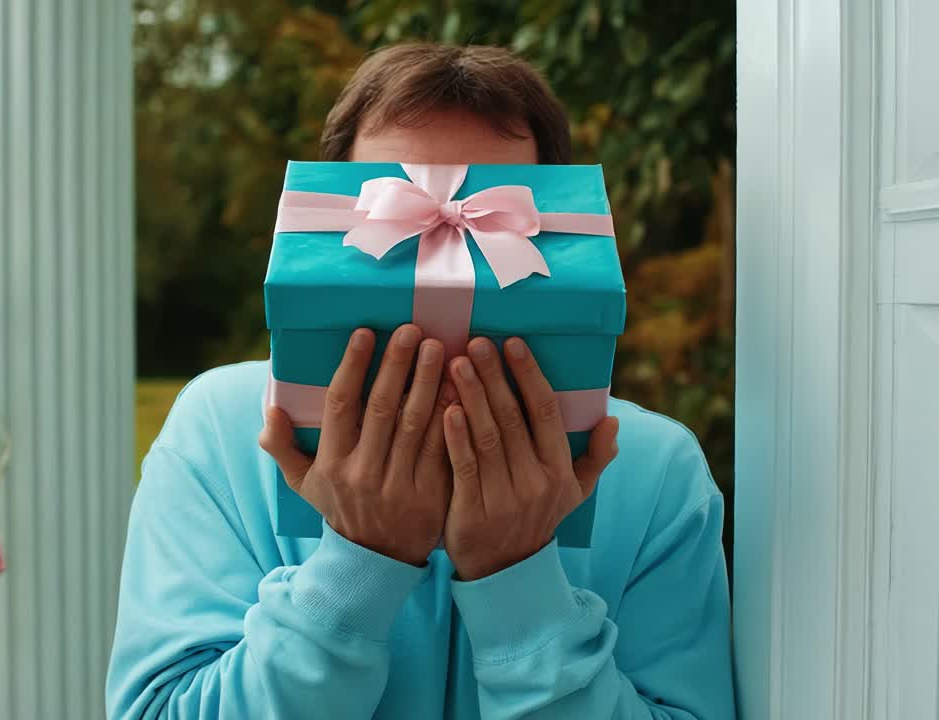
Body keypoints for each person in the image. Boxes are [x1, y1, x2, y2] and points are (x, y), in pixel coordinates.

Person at [106, 43, 735, 719]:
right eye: (397, 217)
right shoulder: (220, 436)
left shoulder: (657, 473)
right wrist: (355, 570)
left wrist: (520, 584)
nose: (435, 270)